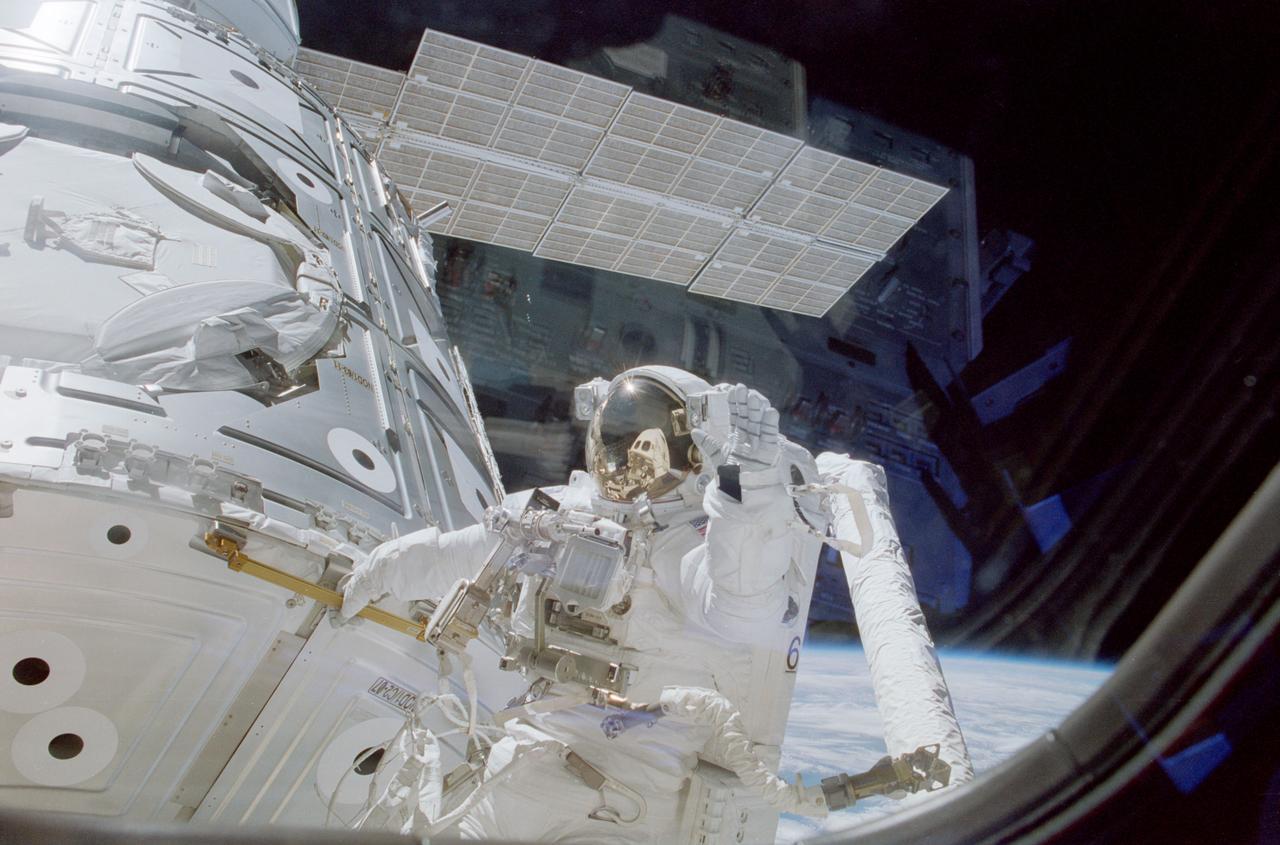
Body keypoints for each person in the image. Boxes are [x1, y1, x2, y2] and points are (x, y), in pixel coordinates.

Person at [340, 365, 958, 842]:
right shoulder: (559, 514)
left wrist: (748, 485)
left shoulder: (691, 546)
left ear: (693, 456)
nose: (622, 463)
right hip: (521, 764)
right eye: (616, 442)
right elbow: (457, 552)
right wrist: (377, 573)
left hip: (624, 798)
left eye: (644, 445)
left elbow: (743, 603)